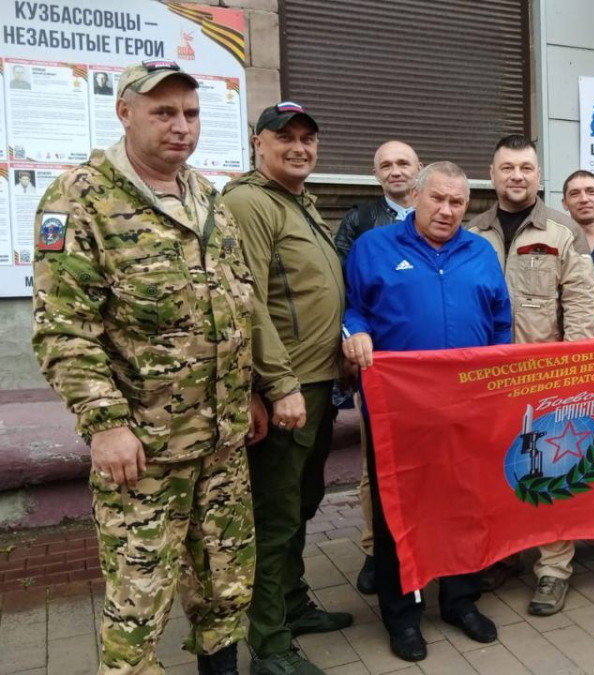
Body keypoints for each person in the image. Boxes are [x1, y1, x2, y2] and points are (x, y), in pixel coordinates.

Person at [31, 59, 262, 675]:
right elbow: (63, 329)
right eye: (163, 112)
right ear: (124, 112)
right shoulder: (80, 198)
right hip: (145, 451)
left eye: (190, 113)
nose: (181, 126)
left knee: (226, 582)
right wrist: (106, 424)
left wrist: (250, 394)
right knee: (139, 602)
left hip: (221, 442)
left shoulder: (207, 197)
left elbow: (235, 306)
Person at [342, 161, 510, 662]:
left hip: (468, 408)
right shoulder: (373, 247)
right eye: (437, 198)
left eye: (457, 202)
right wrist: (357, 332)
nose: (446, 210)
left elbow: (501, 323)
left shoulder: (480, 252)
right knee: (400, 510)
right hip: (399, 409)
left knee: (464, 505)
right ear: (415, 195)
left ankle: (460, 600)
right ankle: (403, 615)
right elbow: (352, 309)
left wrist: (498, 384)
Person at [223, 102, 350, 675]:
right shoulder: (249, 203)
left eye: (307, 138)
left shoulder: (299, 201)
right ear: (258, 142)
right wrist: (274, 386)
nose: (299, 147)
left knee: (301, 503)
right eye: (285, 138)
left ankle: (292, 606)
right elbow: (245, 300)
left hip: (317, 383)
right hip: (289, 389)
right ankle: (269, 644)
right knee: (274, 516)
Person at [467, 134, 594, 616]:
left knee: (548, 472)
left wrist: (572, 374)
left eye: (525, 168)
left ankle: (553, 568)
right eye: (507, 168)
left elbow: (581, 306)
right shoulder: (471, 233)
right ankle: (505, 554)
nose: (517, 176)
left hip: (545, 377)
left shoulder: (564, 231)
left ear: (539, 175)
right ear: (492, 173)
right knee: (495, 474)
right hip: (488, 379)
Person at [332, 139, 424, 596]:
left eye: (403, 163)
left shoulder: (441, 214)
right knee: (378, 465)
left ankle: (427, 545)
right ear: (375, 174)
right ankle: (374, 549)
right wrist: (351, 338)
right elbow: (344, 290)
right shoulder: (361, 221)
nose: (395, 171)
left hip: (431, 371)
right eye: (385, 165)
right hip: (381, 370)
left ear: (419, 168)